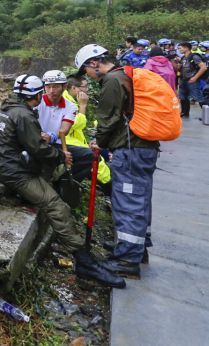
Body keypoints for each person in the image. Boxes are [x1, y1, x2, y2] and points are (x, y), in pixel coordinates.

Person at [0, 74, 125, 288]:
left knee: (60, 170)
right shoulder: (23, 114)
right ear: (36, 94)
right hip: (15, 173)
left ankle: (84, 256)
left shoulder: (6, 109)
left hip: (9, 165)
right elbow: (37, 147)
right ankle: (84, 261)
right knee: (56, 206)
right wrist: (62, 157)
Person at [75, 44, 160, 278]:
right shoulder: (127, 72)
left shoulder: (113, 80)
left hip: (131, 149)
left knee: (128, 201)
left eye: (86, 71)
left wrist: (100, 141)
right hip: (143, 147)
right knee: (140, 198)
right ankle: (136, 248)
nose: (88, 77)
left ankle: (127, 260)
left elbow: (108, 117)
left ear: (94, 63)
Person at [35, 70, 95, 182]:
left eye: (55, 87)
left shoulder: (70, 106)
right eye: (47, 87)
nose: (51, 91)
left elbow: (65, 130)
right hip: (36, 142)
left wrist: (50, 136)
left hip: (55, 143)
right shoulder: (37, 101)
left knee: (88, 155)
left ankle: (64, 182)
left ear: (64, 87)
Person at [64, 75, 112, 195]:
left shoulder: (70, 100)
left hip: (77, 141)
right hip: (69, 143)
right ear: (74, 88)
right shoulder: (67, 102)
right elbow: (78, 124)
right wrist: (83, 105)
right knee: (96, 165)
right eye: (84, 87)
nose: (87, 90)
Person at [177, 41, 209, 118]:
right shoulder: (184, 57)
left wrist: (195, 77)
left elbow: (203, 67)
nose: (179, 50)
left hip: (192, 80)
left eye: (180, 48)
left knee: (198, 97)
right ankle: (185, 113)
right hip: (184, 80)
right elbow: (179, 68)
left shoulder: (194, 57)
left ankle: (207, 116)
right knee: (183, 97)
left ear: (186, 48)